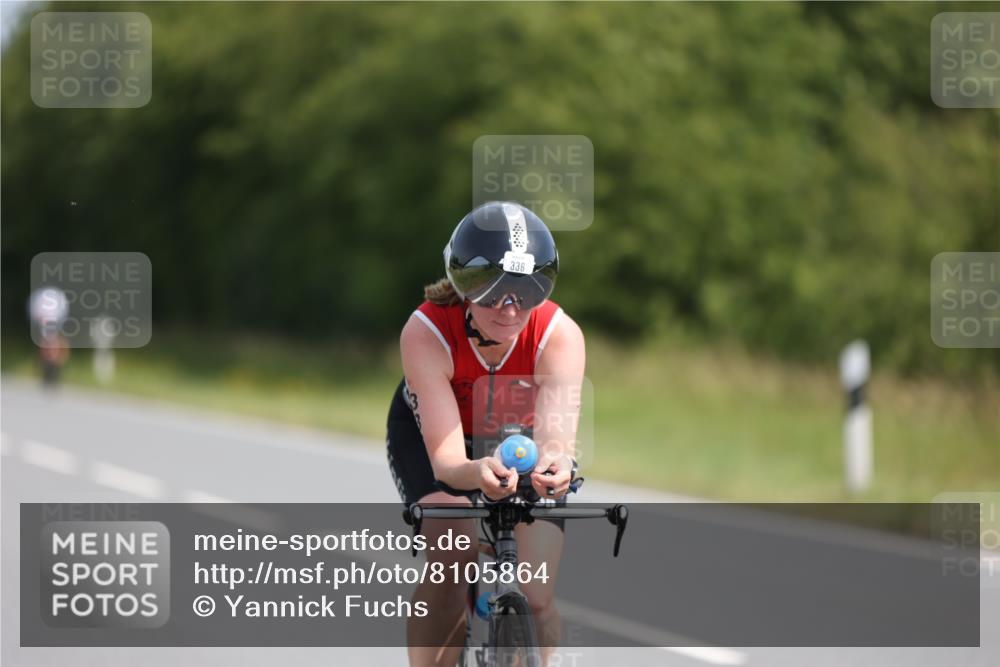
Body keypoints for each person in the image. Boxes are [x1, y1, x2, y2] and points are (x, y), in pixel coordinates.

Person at [386, 201, 585, 667]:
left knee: (536, 596)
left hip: (518, 439)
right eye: (495, 292)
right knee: (451, 557)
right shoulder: (426, 332)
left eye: (527, 291)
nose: (511, 308)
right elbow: (450, 463)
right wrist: (477, 473)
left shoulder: (560, 335)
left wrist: (557, 464)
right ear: (464, 287)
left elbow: (556, 439)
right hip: (437, 438)